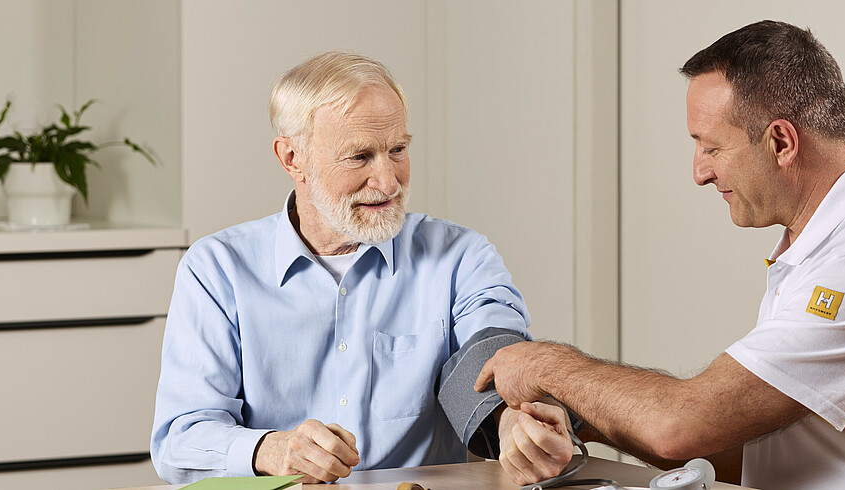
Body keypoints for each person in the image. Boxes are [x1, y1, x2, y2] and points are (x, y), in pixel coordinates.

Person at [476, 20, 845, 489]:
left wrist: (544, 365)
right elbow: (758, 452)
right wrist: (584, 421)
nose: (699, 172)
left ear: (781, 143)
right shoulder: (819, 248)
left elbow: (681, 425)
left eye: (711, 147)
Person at [149, 51, 550, 484]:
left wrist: (510, 420)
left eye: (397, 149)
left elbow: (492, 356)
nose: (389, 180)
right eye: (359, 157)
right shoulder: (216, 269)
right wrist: (272, 449)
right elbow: (180, 439)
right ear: (292, 159)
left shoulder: (461, 256)